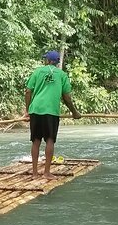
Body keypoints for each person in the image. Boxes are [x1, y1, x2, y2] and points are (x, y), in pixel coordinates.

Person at [24, 50, 81, 179]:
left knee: (36, 141)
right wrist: (74, 112)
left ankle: (34, 173)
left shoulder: (38, 72)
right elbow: (66, 97)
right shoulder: (62, 75)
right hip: (51, 111)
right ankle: (46, 172)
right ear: (56, 62)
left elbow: (28, 92)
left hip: (36, 109)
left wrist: (28, 111)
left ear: (48, 61)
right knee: (50, 140)